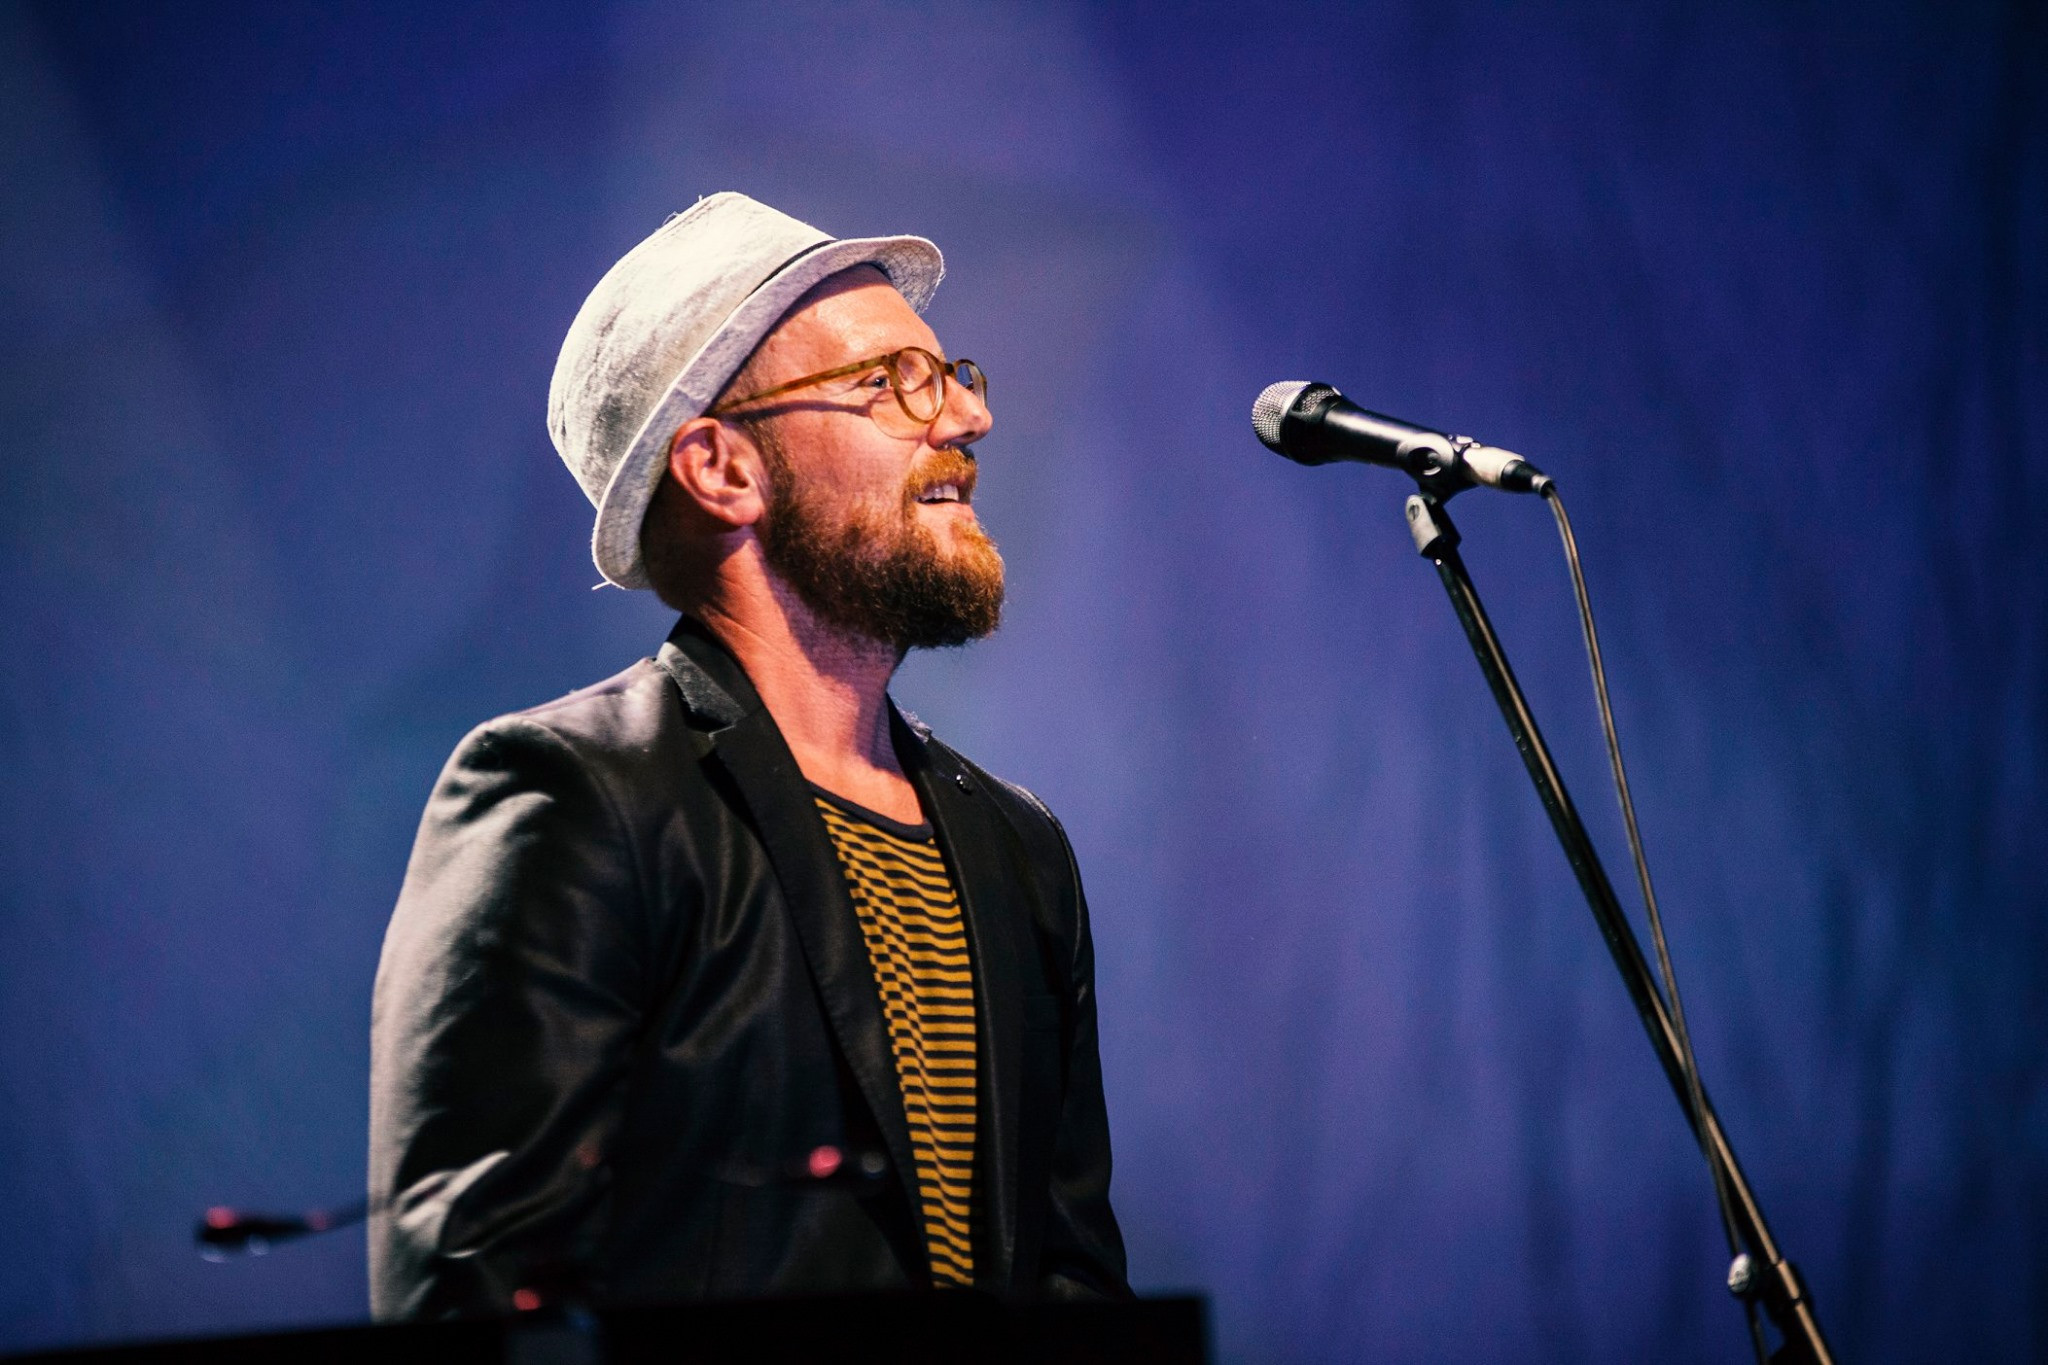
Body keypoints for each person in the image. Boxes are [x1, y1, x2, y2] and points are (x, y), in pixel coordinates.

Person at [367, 193, 1129, 1319]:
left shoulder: (1019, 849)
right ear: (722, 469)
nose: (968, 415)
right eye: (891, 381)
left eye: (951, 375)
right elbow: (475, 1287)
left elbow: (1074, 1279)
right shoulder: (575, 797)